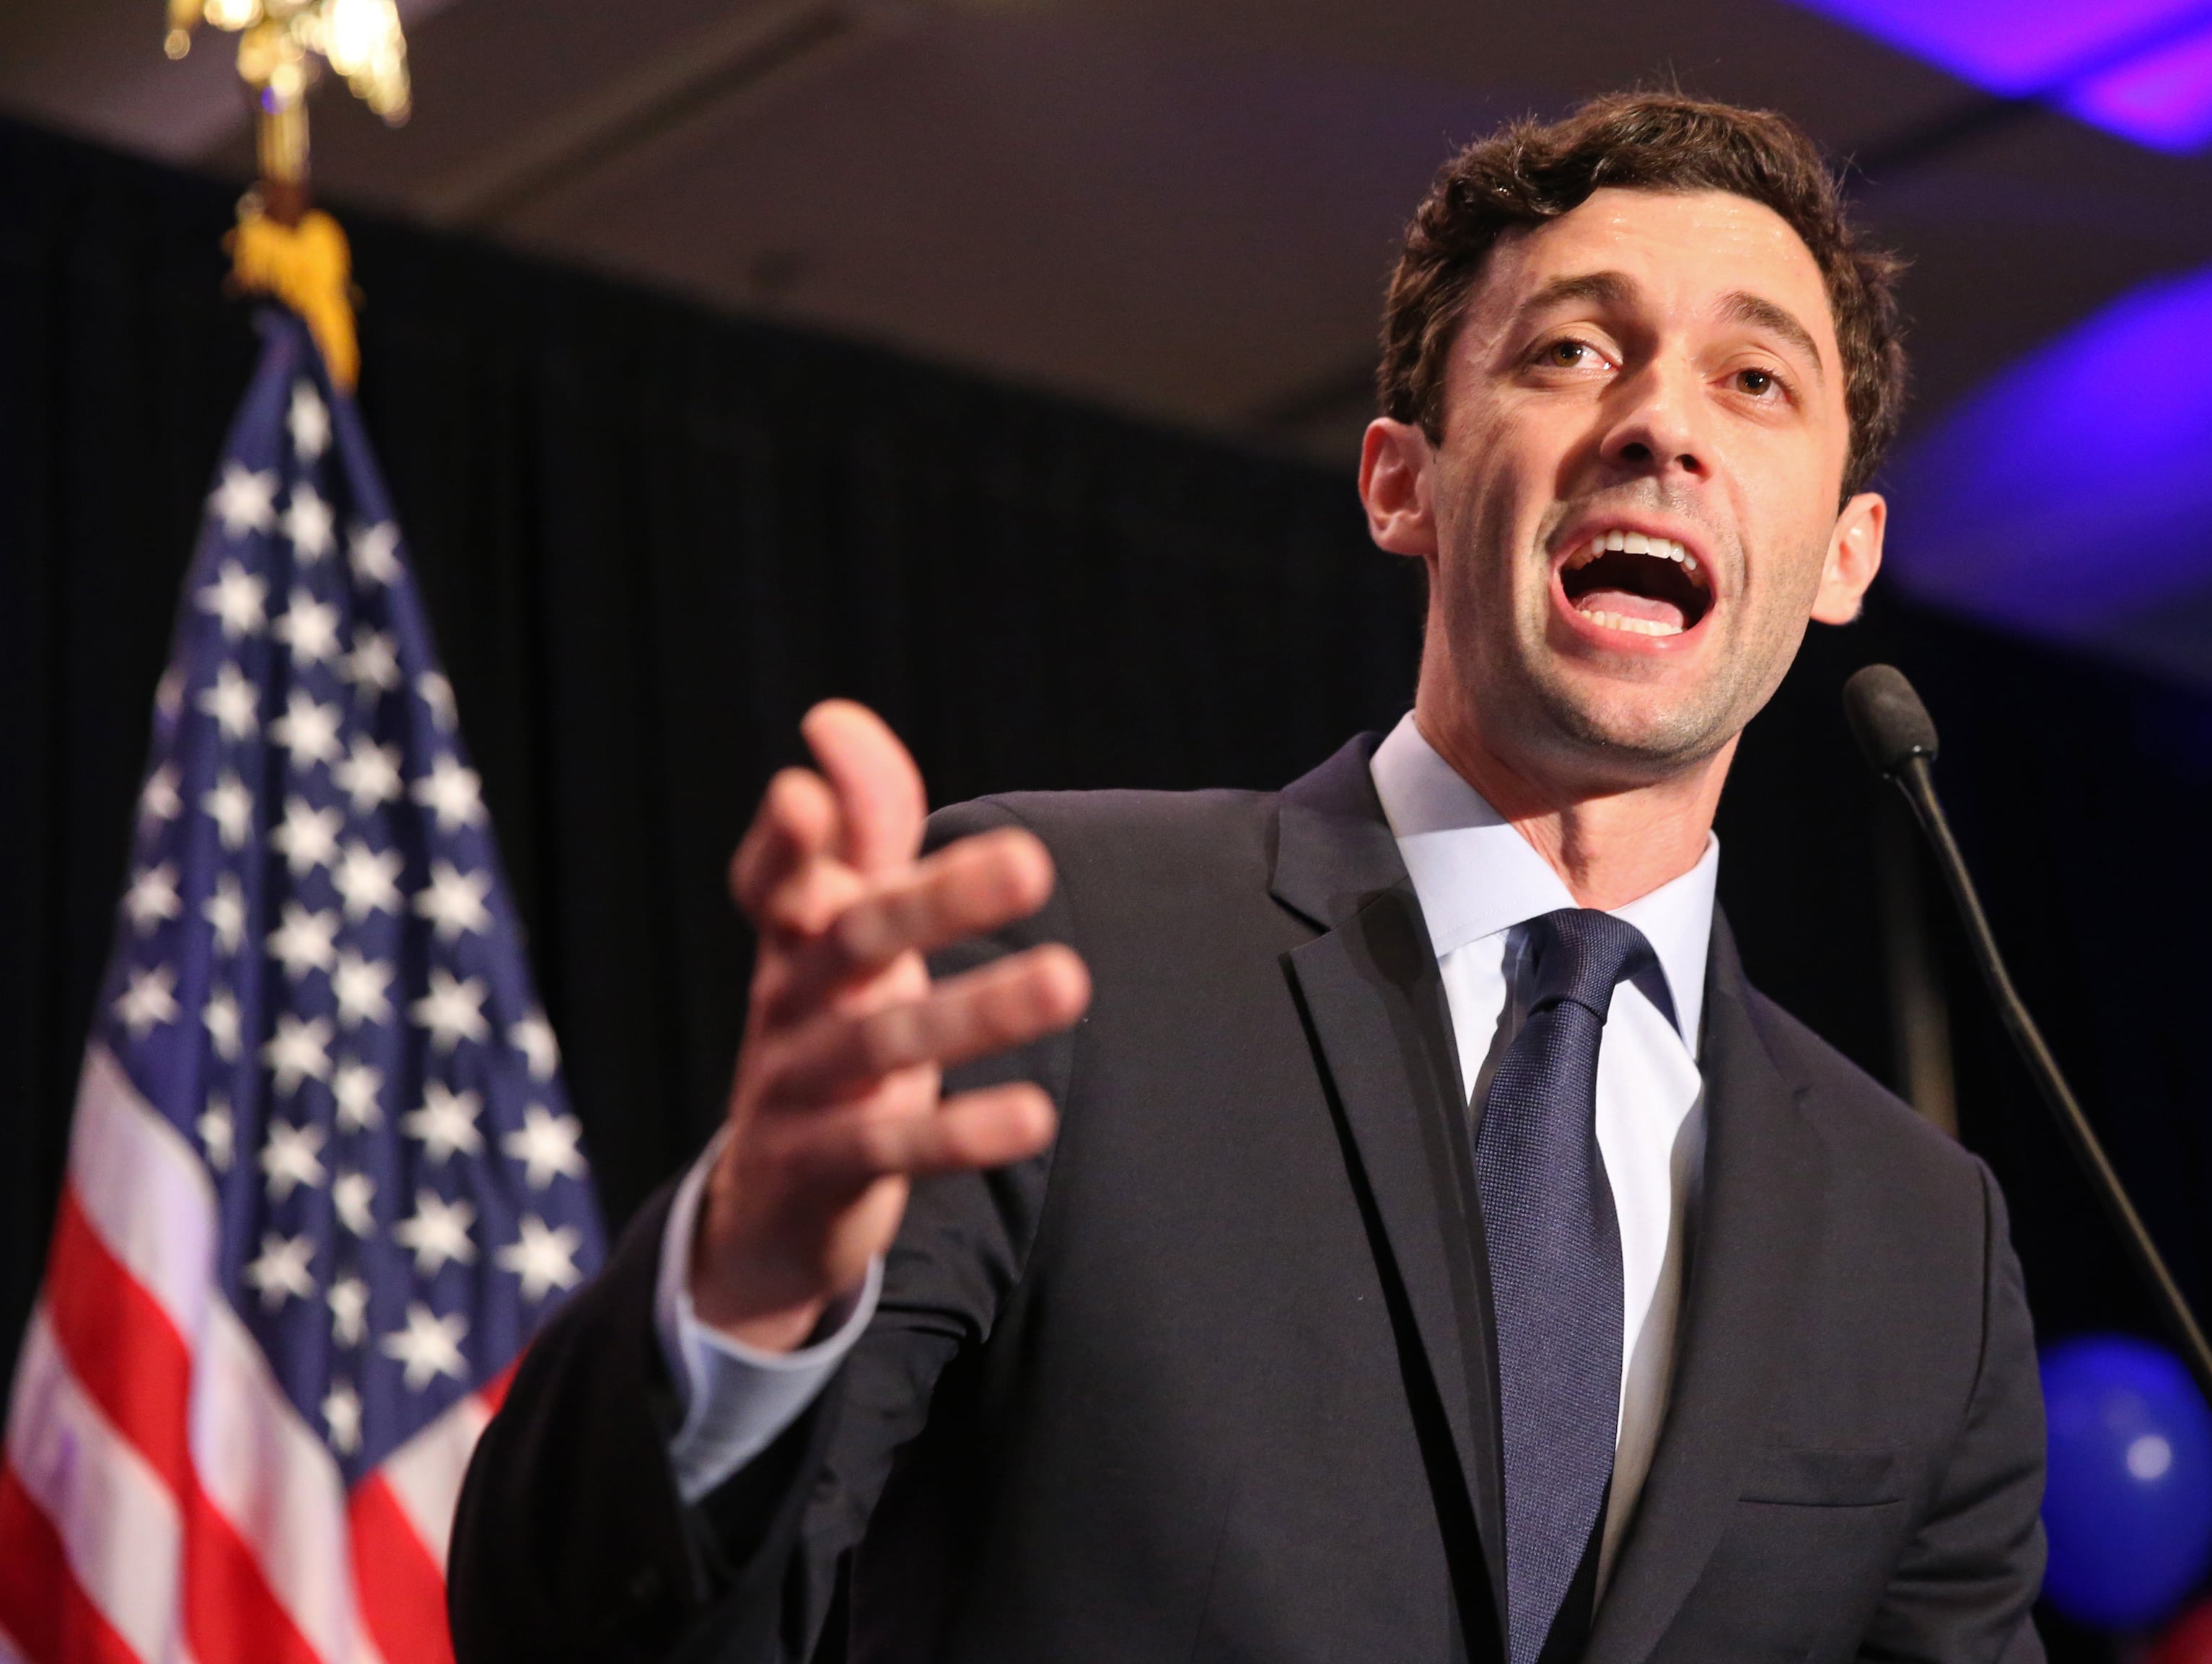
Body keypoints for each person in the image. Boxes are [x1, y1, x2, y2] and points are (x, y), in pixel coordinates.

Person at [451, 90, 2045, 1664]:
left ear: (1846, 553)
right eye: (1570, 350)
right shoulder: (1057, 945)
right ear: (1399, 481)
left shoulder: (1925, 1242)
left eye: (1755, 377)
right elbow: (588, 1627)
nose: (1659, 423)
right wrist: (745, 1298)